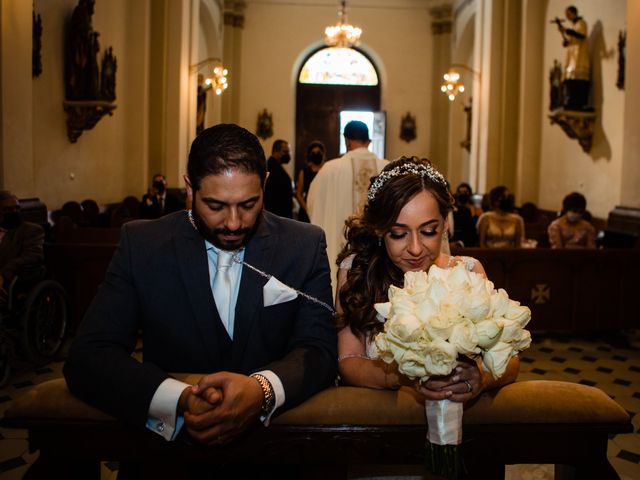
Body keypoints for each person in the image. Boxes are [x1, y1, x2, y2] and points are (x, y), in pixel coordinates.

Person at [63, 125, 337, 468]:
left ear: (265, 183)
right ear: (190, 187)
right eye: (216, 205)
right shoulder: (143, 245)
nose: (234, 223)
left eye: (248, 204)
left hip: (275, 455)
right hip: (170, 460)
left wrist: (261, 391)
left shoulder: (304, 244)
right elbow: (89, 357)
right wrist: (179, 399)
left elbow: (320, 350)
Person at [335, 157, 519, 400]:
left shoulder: (468, 272)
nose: (415, 248)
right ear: (380, 230)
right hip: (380, 420)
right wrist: (406, 376)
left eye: (428, 231)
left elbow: (511, 360)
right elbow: (348, 362)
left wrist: (482, 377)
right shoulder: (358, 272)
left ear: (444, 224)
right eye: (399, 234)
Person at [307, 120, 387, 292]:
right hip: (379, 258)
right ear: (368, 141)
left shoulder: (330, 169)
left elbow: (312, 203)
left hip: (341, 250)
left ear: (347, 141)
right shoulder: (387, 168)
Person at [0, 191, 45, 301]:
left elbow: (32, 256)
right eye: (8, 210)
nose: (14, 212)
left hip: (13, 277)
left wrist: (3, 274)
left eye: (17, 208)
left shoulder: (31, 230)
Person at [554, 5, 590, 110]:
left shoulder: (581, 23)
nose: (568, 17)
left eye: (568, 14)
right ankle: (571, 101)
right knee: (570, 79)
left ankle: (579, 102)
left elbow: (581, 36)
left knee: (579, 79)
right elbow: (568, 42)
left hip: (580, 56)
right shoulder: (574, 26)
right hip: (572, 57)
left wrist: (566, 30)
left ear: (574, 13)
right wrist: (564, 36)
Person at [295, 140, 326, 223]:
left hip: (323, 208)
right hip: (306, 209)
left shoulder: (327, 170)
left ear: (323, 154)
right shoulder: (304, 172)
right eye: (313, 153)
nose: (316, 155)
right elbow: (298, 194)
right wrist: (307, 208)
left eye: (318, 152)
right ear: (310, 155)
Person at [263, 139, 294, 219]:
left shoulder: (276, 166)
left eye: (288, 152)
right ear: (276, 151)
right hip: (276, 216)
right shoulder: (270, 167)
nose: (287, 155)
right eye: (285, 152)